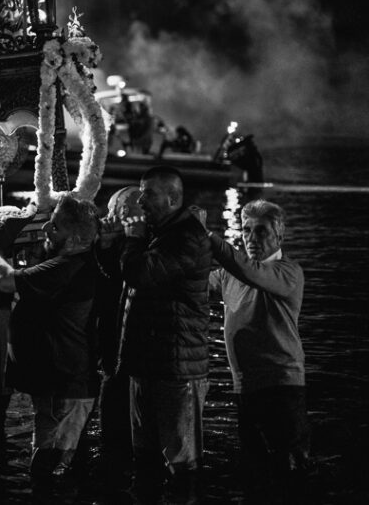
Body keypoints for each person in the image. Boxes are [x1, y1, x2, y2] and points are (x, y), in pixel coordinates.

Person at [0, 195, 101, 489]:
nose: (45, 230)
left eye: (54, 227)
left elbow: (3, 280)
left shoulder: (66, 267)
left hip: (64, 385)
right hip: (61, 382)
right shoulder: (72, 262)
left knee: (51, 469)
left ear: (75, 238)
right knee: (57, 462)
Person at [205, 200, 310, 502]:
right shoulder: (230, 275)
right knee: (255, 473)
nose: (251, 238)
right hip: (246, 387)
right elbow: (193, 280)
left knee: (290, 475)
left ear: (279, 236)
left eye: (261, 231)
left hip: (282, 387)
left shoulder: (288, 272)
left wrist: (209, 239)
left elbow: (249, 270)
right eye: (247, 230)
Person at [119, 166, 211, 503]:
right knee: (146, 460)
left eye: (148, 194)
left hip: (176, 369)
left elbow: (140, 273)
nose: (140, 200)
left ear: (172, 198)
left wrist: (132, 239)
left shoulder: (186, 237)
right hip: (151, 362)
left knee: (180, 464)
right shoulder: (161, 233)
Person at [93, 186, 142, 489]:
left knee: (117, 432)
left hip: (126, 356)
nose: (107, 217)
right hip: (114, 352)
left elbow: (114, 283)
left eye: (113, 211)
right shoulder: (120, 247)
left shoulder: (136, 249)